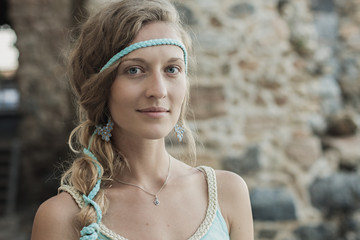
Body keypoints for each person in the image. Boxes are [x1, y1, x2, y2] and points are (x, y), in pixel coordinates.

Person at [31, 0, 254, 239]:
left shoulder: (227, 194)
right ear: (101, 88)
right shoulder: (61, 218)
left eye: (172, 69)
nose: (158, 90)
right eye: (134, 70)